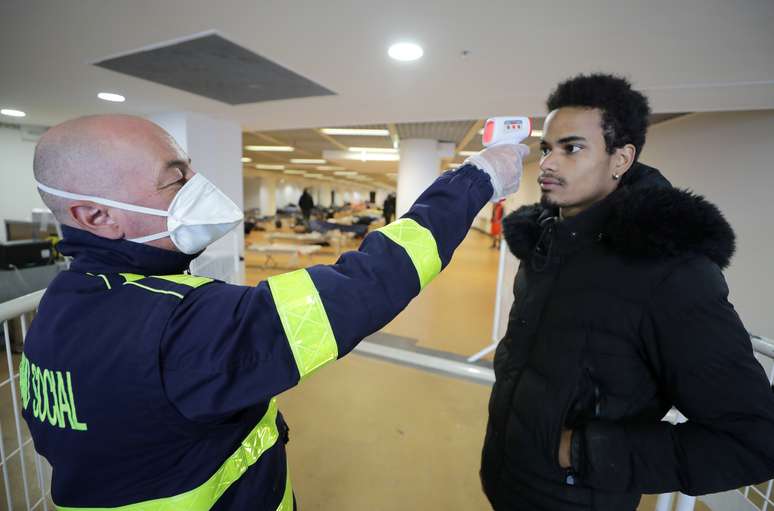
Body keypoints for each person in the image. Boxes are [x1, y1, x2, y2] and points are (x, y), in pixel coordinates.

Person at [21, 114, 528, 509]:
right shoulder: (178, 327)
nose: (199, 183)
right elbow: (368, 284)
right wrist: (476, 179)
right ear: (95, 216)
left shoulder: (59, 311)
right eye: (175, 178)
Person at [480, 74, 774, 511]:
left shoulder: (670, 272)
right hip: (510, 480)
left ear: (621, 158)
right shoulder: (545, 244)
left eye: (572, 148)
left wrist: (579, 453)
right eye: (547, 148)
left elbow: (752, 439)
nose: (548, 164)